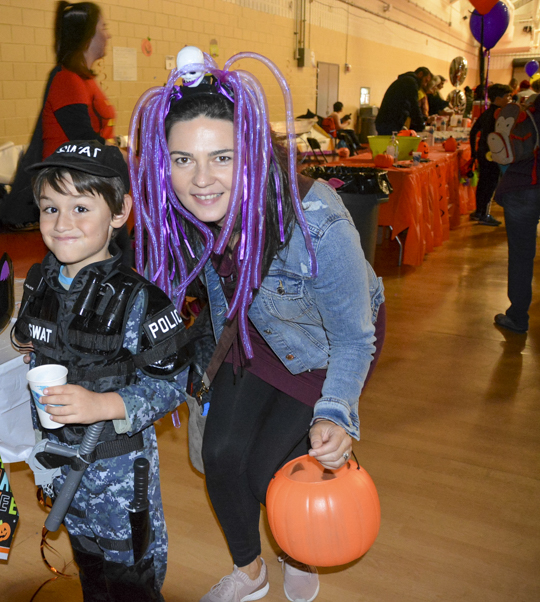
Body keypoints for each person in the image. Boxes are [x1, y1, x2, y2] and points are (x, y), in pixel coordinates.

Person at [130, 49, 386, 602]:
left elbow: (353, 336)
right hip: (252, 333)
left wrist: (337, 414)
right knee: (221, 455)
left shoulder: (317, 222)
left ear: (251, 152)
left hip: (324, 342)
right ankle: (250, 573)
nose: (201, 180)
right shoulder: (187, 213)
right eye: (182, 159)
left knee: (268, 467)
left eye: (221, 157)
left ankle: (297, 548)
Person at [13, 140, 190, 600]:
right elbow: (31, 338)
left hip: (119, 467)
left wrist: (104, 404)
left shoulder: (141, 299)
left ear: (119, 212)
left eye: (80, 208)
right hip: (62, 462)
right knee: (89, 566)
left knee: (130, 574)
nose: (62, 223)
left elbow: (173, 385)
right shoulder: (40, 283)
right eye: (50, 208)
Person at [0, 2, 115, 230]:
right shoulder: (67, 79)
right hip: (69, 185)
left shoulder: (85, 80)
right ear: (87, 34)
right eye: (103, 27)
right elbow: (82, 138)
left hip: (87, 181)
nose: (108, 35)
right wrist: (125, 157)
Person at [493, 95, 540, 334]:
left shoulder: (528, 111)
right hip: (525, 186)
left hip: (523, 186)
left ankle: (518, 317)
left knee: (521, 255)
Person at [468, 83, 512, 226]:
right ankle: (484, 214)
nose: (510, 99)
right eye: (508, 96)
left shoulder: (486, 113)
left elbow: (473, 131)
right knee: (490, 185)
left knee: (483, 183)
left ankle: (479, 211)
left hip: (483, 152)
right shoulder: (500, 115)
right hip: (493, 154)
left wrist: (474, 151)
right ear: (498, 99)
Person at [375, 67, 432, 134]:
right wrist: (421, 125)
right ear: (420, 74)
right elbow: (414, 106)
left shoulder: (405, 80)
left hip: (387, 121)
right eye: (426, 80)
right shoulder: (410, 82)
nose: (425, 84)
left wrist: (424, 119)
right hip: (390, 122)